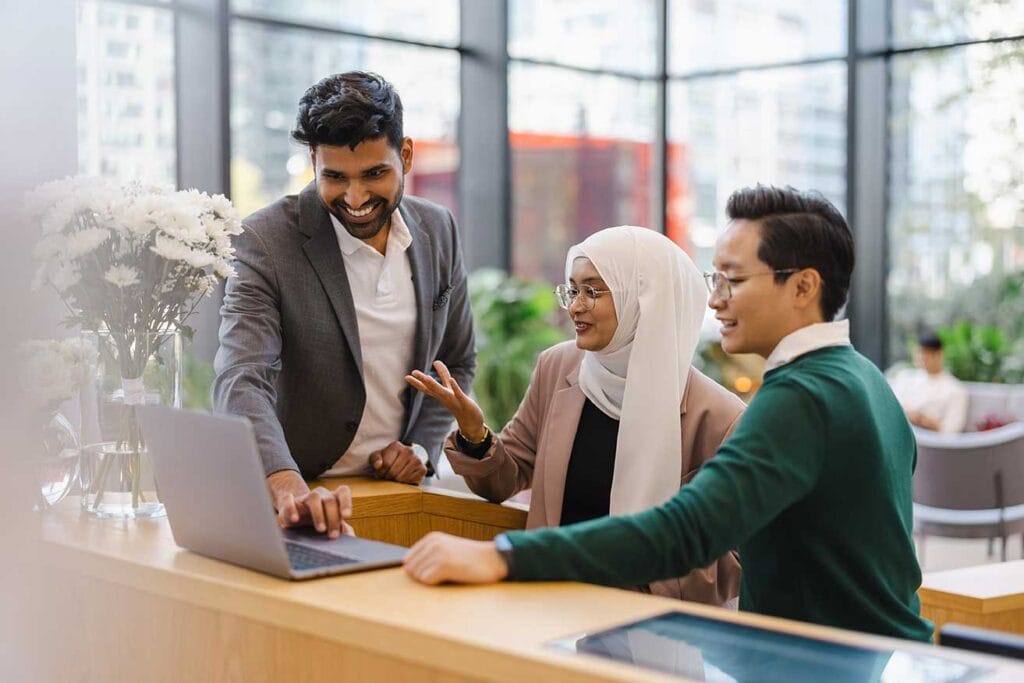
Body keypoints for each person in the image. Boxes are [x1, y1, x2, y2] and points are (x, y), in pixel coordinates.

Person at [401, 185, 933, 642]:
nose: (716, 301)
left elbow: (686, 532)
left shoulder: (798, 398)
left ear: (803, 286)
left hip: (830, 662)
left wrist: (505, 557)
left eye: (735, 280)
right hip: (875, 652)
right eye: (715, 279)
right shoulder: (866, 380)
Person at [406, 226, 745, 605]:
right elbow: (505, 480)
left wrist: (636, 568)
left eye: (592, 291)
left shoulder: (719, 416)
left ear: (643, 298)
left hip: (649, 624)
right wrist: (474, 433)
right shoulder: (558, 367)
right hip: (550, 604)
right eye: (572, 289)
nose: (575, 306)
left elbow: (732, 563)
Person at [213, 72, 475, 538]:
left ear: (406, 155)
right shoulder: (266, 241)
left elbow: (455, 360)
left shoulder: (438, 230)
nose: (355, 199)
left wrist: (419, 447)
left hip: (395, 499)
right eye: (335, 177)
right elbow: (241, 377)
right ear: (313, 160)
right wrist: (284, 482)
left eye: (375, 174)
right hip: (301, 500)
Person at [889, 332, 968, 433]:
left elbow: (951, 431)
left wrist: (923, 421)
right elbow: (891, 409)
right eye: (919, 352)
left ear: (939, 354)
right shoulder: (905, 377)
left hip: (930, 444)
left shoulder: (955, 390)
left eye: (926, 353)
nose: (921, 357)